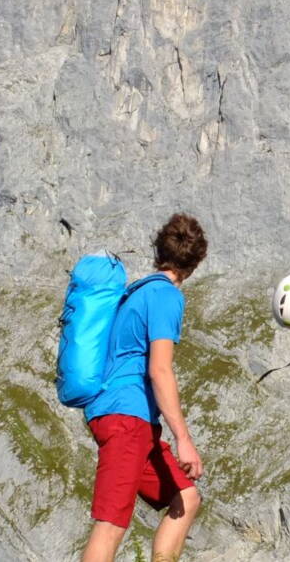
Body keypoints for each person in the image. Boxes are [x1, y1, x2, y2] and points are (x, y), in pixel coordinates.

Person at [81, 214, 208, 562]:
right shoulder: (165, 296)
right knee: (110, 524)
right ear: (196, 262)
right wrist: (184, 439)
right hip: (127, 418)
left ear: (158, 249)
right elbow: (160, 369)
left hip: (124, 418)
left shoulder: (134, 293)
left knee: (185, 498)